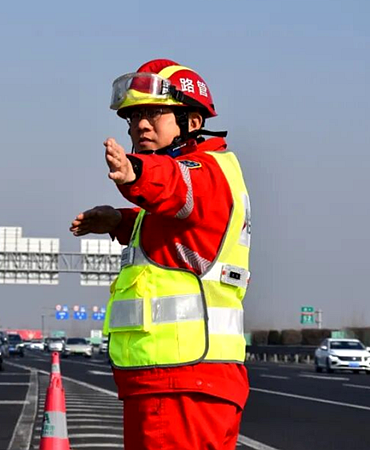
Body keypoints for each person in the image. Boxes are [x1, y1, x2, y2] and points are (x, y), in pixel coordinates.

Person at [70, 59, 251, 449]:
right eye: (133, 118)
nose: (140, 125)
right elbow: (173, 231)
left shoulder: (201, 171)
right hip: (190, 382)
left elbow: (174, 185)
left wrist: (135, 172)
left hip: (178, 383)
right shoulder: (206, 180)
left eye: (154, 113)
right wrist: (118, 220)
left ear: (192, 121)